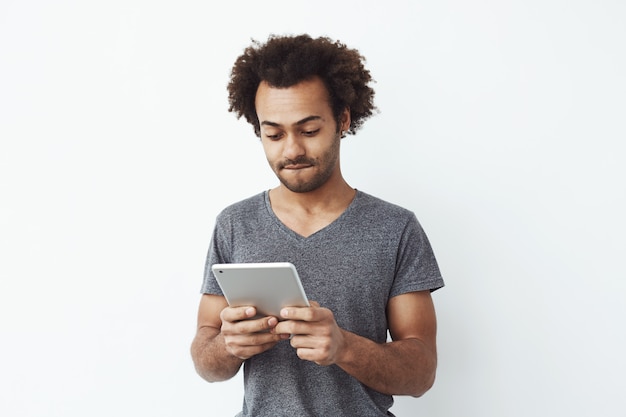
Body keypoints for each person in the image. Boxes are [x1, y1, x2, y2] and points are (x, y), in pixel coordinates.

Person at [190, 34, 444, 416]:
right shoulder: (234, 224)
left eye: (309, 131)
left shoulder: (396, 229)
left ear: (342, 119)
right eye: (273, 134)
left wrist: (344, 347)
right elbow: (204, 356)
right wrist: (228, 345)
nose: (291, 150)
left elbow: (421, 372)